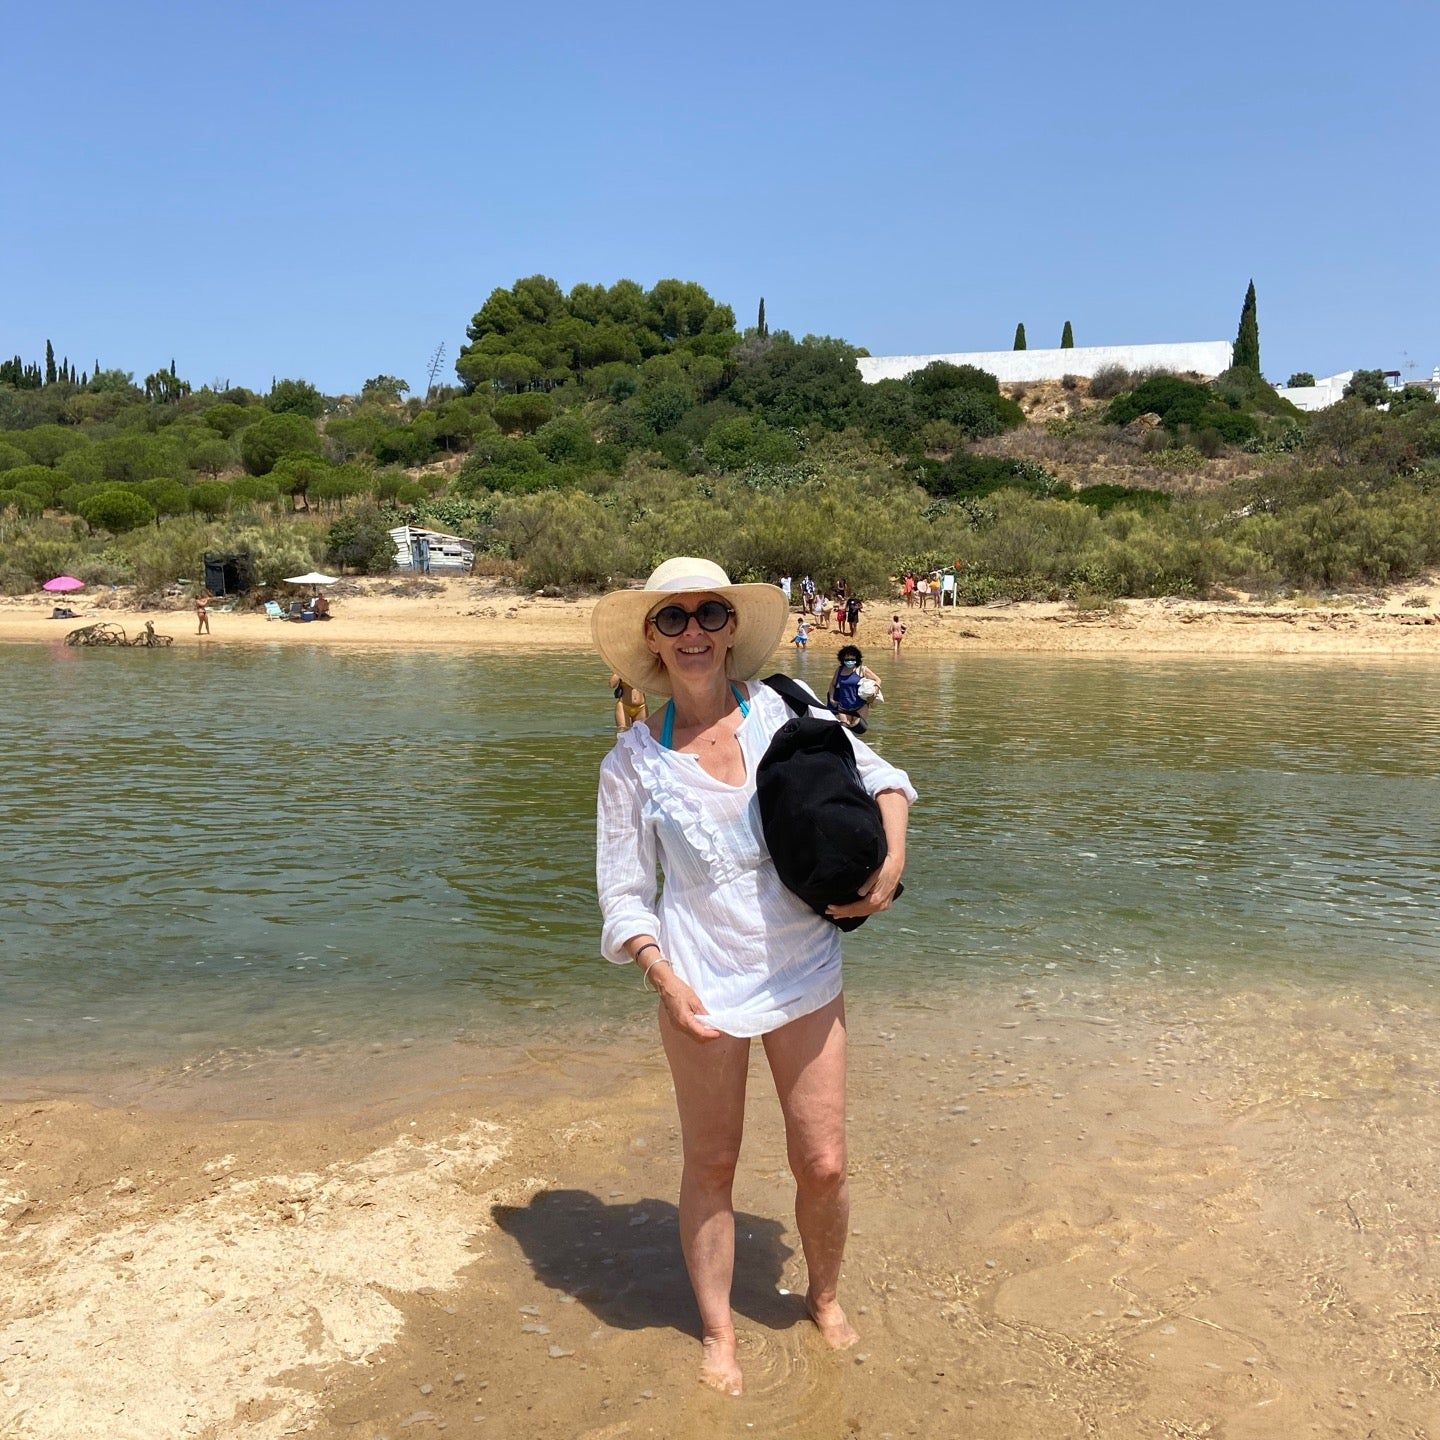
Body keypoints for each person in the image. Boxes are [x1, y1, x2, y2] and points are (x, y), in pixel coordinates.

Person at [593, 558, 915, 1398]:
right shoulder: (632, 763)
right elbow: (625, 898)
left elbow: (884, 781)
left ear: (732, 628)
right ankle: (719, 1333)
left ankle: (826, 1296)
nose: (694, 631)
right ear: (654, 642)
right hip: (698, 978)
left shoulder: (786, 709)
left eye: (709, 613)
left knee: (826, 1162)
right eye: (673, 619)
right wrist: (664, 979)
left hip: (805, 965)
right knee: (711, 1163)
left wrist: (889, 870)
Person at [826, 644, 883, 733]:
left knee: (858, 729)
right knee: (844, 730)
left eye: (852, 659)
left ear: (857, 659)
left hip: (860, 706)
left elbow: (878, 680)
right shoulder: (839, 670)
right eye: (847, 659)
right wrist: (832, 699)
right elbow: (832, 685)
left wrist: (874, 693)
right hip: (843, 707)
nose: (850, 661)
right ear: (842, 659)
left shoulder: (862, 669)